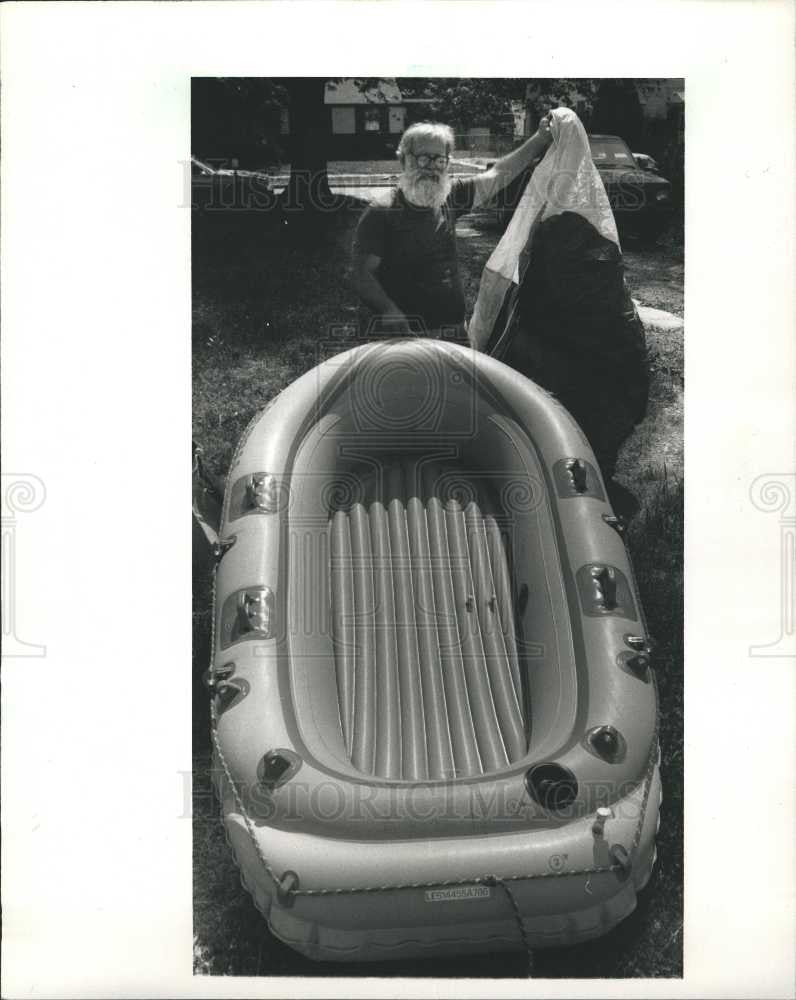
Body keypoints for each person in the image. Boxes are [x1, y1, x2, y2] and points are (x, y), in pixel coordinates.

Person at [351, 119, 553, 340]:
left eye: (439, 160)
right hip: (406, 340)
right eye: (423, 158)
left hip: (455, 334)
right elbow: (363, 274)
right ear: (403, 160)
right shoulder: (381, 212)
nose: (431, 167)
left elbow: (499, 174)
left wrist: (540, 138)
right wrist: (388, 309)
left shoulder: (449, 199)